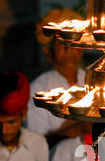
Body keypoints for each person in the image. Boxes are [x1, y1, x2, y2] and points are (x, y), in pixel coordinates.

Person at [26, 8, 86, 148]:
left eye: (73, 43)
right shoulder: (39, 89)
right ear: (48, 52)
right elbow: (38, 142)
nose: (69, 49)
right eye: (62, 44)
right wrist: (77, 128)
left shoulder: (93, 80)